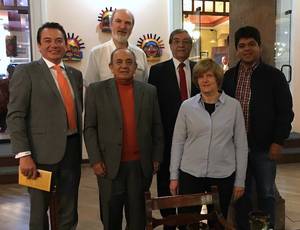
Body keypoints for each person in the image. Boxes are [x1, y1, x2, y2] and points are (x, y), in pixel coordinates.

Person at [6, 22, 83, 230]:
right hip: (39, 157)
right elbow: (15, 116)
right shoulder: (26, 72)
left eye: (59, 41)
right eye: (47, 41)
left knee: (69, 209)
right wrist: (24, 155)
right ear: (39, 45)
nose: (54, 45)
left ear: (66, 45)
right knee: (39, 212)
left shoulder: (75, 75)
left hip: (72, 152)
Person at [222, 26, 294, 229]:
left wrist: (278, 141)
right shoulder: (228, 77)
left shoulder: (274, 76)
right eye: (242, 45)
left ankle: (267, 228)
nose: (247, 49)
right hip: (236, 148)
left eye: (251, 44)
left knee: (266, 193)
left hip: (264, 147)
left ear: (259, 47)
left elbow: (285, 112)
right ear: (236, 50)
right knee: (240, 193)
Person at [84, 48, 164, 230]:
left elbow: (157, 126)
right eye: (119, 62)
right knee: (111, 217)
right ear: (111, 67)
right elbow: (89, 128)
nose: (124, 66)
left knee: (138, 219)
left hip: (140, 166)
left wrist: (157, 157)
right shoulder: (96, 90)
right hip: (109, 166)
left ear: (136, 67)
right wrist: (95, 160)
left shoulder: (149, 91)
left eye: (129, 62)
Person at [169, 59, 248, 228]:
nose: (204, 80)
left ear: (218, 79)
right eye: (200, 76)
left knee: (218, 223)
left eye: (209, 76)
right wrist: (173, 176)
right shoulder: (187, 106)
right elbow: (178, 142)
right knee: (187, 222)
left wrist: (240, 180)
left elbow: (241, 145)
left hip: (222, 174)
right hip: (190, 173)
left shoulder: (233, 106)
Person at [148, 29, 199, 230]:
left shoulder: (199, 69)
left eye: (186, 42)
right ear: (170, 45)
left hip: (195, 139)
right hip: (167, 138)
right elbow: (153, 109)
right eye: (176, 41)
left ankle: (188, 222)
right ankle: (169, 222)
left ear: (191, 46)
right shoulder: (157, 71)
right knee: (165, 182)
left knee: (190, 182)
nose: (181, 45)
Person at [84, 9, 148, 85]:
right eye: (118, 21)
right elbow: (90, 87)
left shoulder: (141, 54)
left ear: (132, 28)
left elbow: (145, 87)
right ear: (111, 25)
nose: (123, 26)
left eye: (127, 23)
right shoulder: (96, 53)